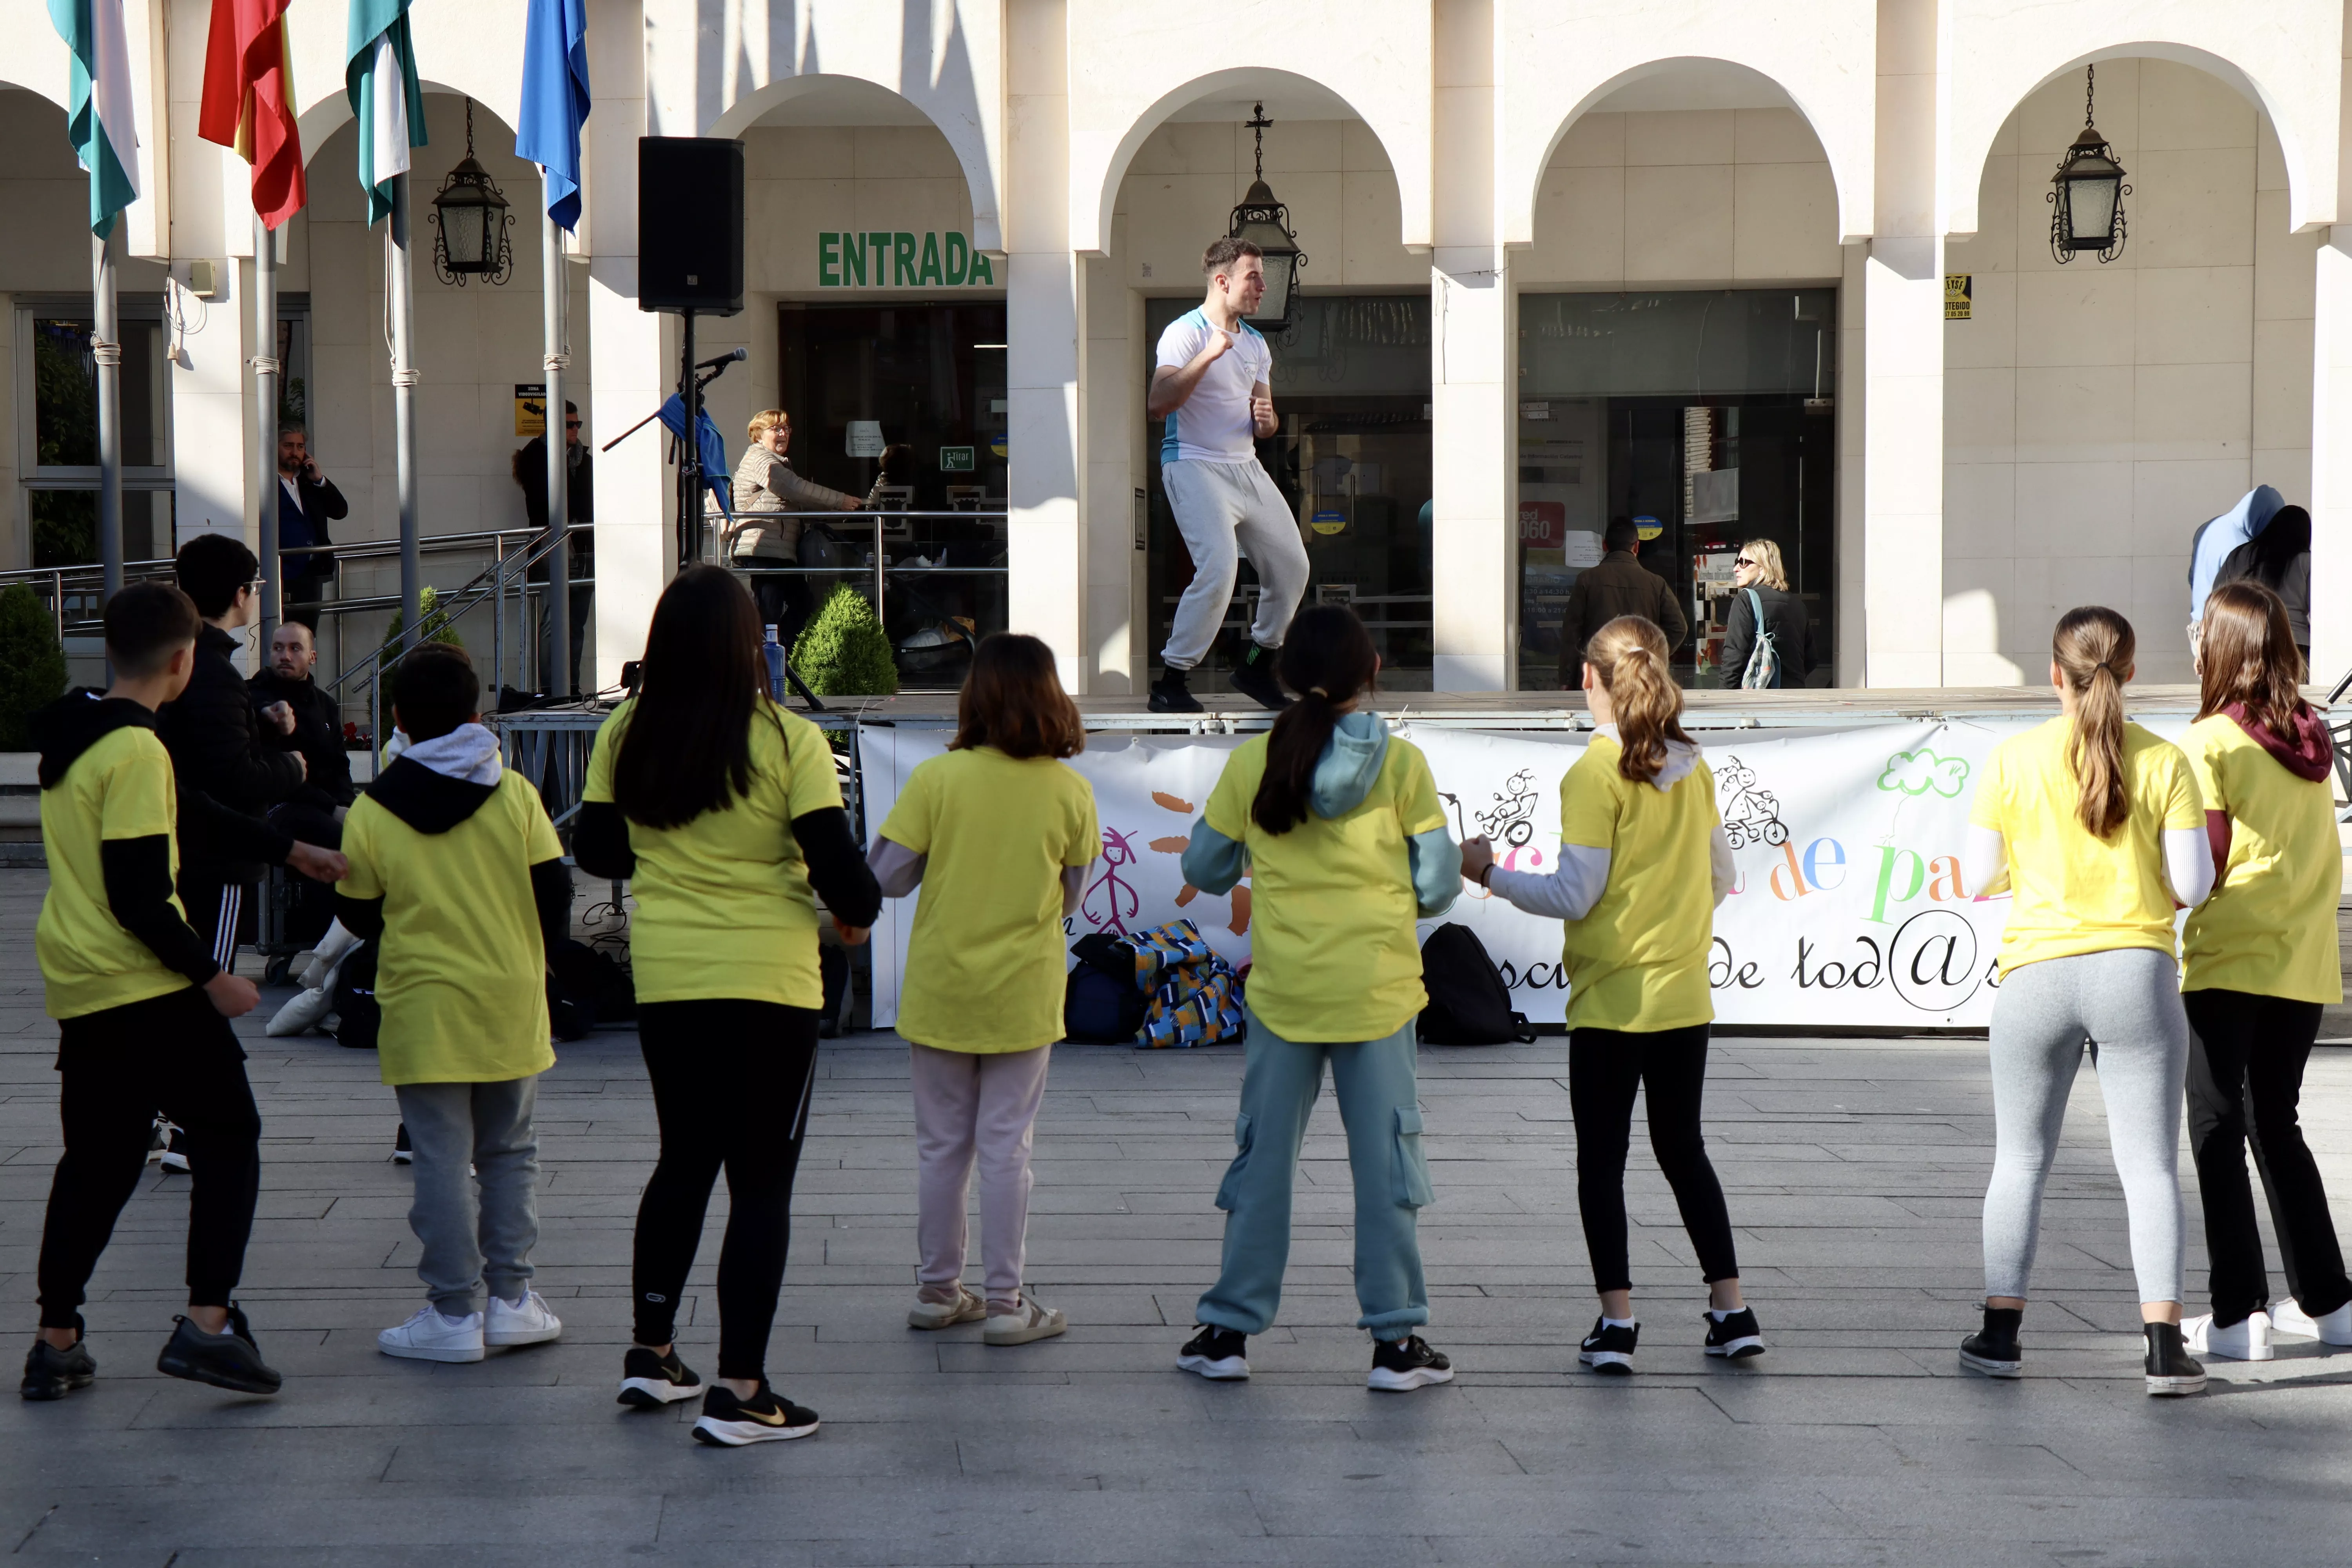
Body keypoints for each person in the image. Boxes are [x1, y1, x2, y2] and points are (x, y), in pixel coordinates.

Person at [573, 565, 881, 1446]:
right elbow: (841, 870)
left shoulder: (627, 729)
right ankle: (742, 1387)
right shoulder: (789, 739)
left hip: (670, 977)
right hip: (770, 985)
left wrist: (674, 855)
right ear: (751, 643)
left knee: (682, 1161)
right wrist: (855, 915)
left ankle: (653, 1351)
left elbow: (598, 843)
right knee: (760, 1183)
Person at [22, 582, 302, 1401]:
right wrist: (213, 976)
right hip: (146, 984)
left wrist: (290, 851)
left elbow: (191, 818)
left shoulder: (79, 736)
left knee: (98, 1162)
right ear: (184, 661)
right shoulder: (138, 750)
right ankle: (208, 1323)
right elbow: (143, 890)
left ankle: (56, 1336)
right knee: (229, 1132)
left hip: (82, 980)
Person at [1174, 604, 1462, 1391]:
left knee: (1264, 1158)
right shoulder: (1401, 766)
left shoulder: (1254, 761)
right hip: (1378, 991)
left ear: (1286, 674)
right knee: (1386, 1163)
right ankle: (1396, 1342)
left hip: (1284, 993)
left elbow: (1203, 867)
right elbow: (1437, 887)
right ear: (1372, 674)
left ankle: (1228, 1330)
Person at [1463, 614, 1759, 1374]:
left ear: (1588, 679)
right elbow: (1724, 876)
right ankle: (1732, 1310)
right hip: (1685, 996)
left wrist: (1487, 874)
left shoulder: (1593, 774)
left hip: (1609, 1001)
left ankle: (1618, 1321)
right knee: (1684, 1148)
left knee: (1602, 1159)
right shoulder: (1693, 765)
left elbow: (1574, 891)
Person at [1958, 606, 2214, 1396]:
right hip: (2135, 971)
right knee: (2147, 1164)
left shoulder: (2012, 758)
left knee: (2021, 1159)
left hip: (2036, 971)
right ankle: (2165, 1346)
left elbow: (1976, 875)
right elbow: (2193, 885)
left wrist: (2029, 874)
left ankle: (2001, 1334)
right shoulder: (2166, 761)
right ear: (2131, 673)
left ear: (2052, 673)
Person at [334, 645, 571, 1366]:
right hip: (509, 995)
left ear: (398, 719)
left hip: (424, 1001)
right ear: (476, 714)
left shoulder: (373, 811)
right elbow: (555, 893)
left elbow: (358, 911)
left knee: (440, 1156)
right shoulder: (516, 794)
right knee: (510, 1153)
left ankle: (451, 1312)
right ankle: (511, 1302)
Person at [870, 633, 1100, 1348]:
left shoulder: (940, 781)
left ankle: (939, 1292)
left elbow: (886, 875)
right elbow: (1071, 896)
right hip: (1023, 994)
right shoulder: (1070, 789)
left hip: (942, 989)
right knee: (1008, 1149)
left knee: (941, 1148)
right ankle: (1006, 1303)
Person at [2177, 581, 2352, 1360]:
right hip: (2305, 959)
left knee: (2216, 1124)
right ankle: (2330, 1300)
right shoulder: (2314, 736)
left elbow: (2203, 865)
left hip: (2228, 956)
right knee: (2277, 1125)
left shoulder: (2209, 741)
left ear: (2220, 645)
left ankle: (2237, 1313)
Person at [1145, 236, 1307, 715]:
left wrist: (1267, 421)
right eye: (1253, 275)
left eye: (1262, 276)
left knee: (1293, 567)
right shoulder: (1185, 334)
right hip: (1192, 462)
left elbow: (1267, 419)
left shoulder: (1257, 343)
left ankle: (1257, 664)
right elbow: (1159, 404)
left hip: (1244, 467)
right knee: (1219, 566)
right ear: (1222, 281)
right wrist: (1210, 354)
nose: (1263, 284)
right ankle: (1171, 682)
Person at [160, 534, 312, 974]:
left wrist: (258, 723)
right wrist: (292, 766)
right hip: (215, 859)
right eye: (255, 585)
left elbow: (196, 740)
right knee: (209, 986)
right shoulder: (212, 669)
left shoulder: (180, 658)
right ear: (240, 594)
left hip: (182, 848)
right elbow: (233, 776)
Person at [249, 620, 356, 956]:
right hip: (278, 806)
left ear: (312, 656)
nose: (285, 655)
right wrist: (267, 717)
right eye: (278, 648)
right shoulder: (254, 694)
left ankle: (358, 939)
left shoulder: (325, 705)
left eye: (295, 648)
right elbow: (266, 764)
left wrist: (348, 807)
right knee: (335, 838)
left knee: (368, 834)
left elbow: (339, 766)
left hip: (323, 804)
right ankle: (334, 947)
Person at [729, 408, 861, 655]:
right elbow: (795, 488)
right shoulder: (762, 460)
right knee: (771, 613)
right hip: (764, 549)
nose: (783, 434)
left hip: (777, 551)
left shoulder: (772, 460)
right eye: (776, 429)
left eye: (786, 429)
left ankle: (779, 659)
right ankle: (764, 666)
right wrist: (840, 500)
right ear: (758, 435)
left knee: (799, 606)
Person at [517, 401, 596, 698]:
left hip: (583, 550)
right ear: (553, 426)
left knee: (577, 623)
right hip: (551, 550)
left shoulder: (584, 459)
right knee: (552, 622)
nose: (576, 430)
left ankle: (571, 688)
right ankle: (552, 691)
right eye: (569, 425)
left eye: (578, 424)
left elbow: (588, 503)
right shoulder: (536, 455)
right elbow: (546, 503)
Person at [1556, 520, 1689, 689]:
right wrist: (1651, 657)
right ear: (1636, 547)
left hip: (1598, 675)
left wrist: (1566, 679)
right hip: (1640, 676)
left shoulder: (1587, 579)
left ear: (1605, 546)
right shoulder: (1656, 584)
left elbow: (1571, 634)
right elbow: (1679, 628)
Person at [2213, 504, 2311, 673]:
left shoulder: (2240, 554)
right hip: (2294, 642)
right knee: (2291, 695)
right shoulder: (2306, 561)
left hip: (2244, 637)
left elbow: (2218, 597)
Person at [274, 425, 346, 632]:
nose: (295, 452)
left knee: (307, 637)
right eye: (288, 446)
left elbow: (340, 511)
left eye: (300, 446)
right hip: (282, 573)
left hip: (312, 572)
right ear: (275, 448)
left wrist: (320, 481)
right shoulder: (264, 483)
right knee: (283, 636)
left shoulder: (308, 482)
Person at [1716, 537, 1813, 688]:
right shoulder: (1797, 604)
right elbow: (1811, 659)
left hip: (1760, 698)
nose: (1736, 568)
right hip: (1795, 696)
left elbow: (1735, 655)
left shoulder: (1746, 599)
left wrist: (1725, 694)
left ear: (1763, 568)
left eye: (1743, 562)